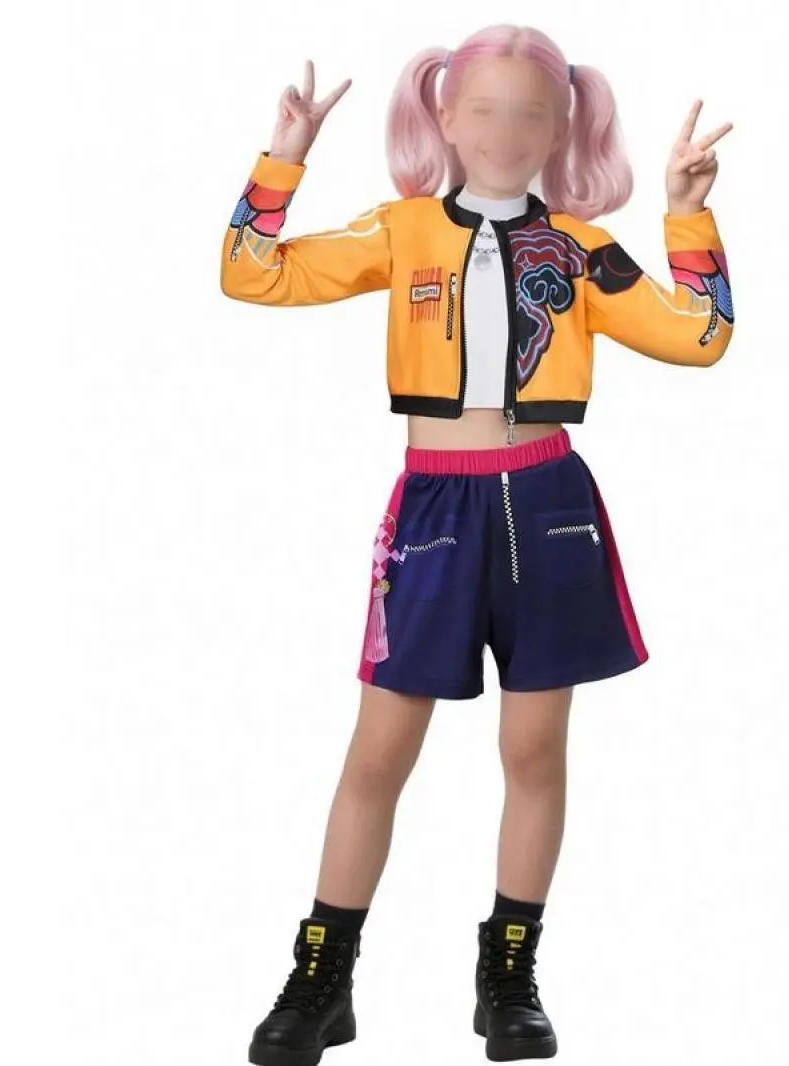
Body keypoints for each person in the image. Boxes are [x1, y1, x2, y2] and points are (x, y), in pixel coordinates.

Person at [220, 22, 734, 1065]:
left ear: (563, 129)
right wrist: (283, 159)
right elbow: (250, 274)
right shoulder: (401, 230)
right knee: (379, 751)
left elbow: (701, 334)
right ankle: (321, 976)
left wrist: (688, 214)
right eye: (485, 110)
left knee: (532, 750)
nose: (507, 131)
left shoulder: (582, 249)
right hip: (435, 513)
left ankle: (508, 973)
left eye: (531, 114)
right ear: (445, 119)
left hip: (550, 507)